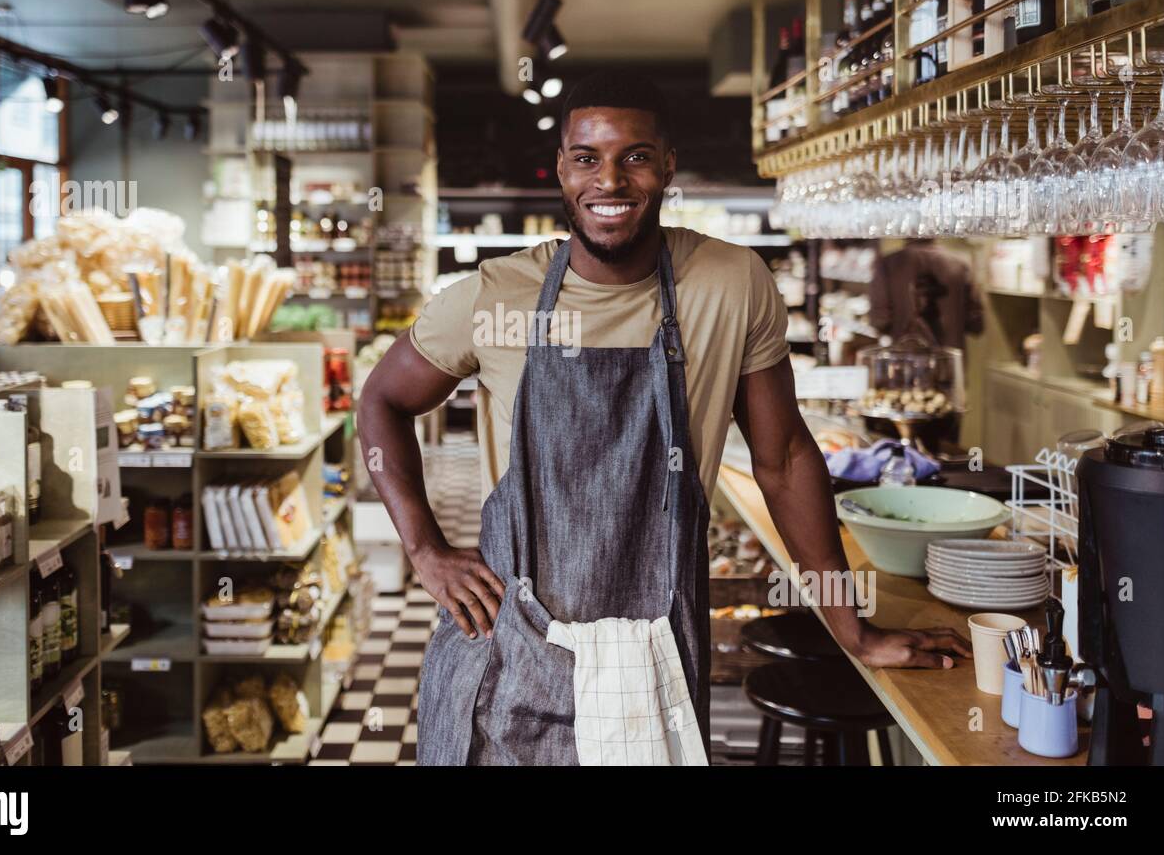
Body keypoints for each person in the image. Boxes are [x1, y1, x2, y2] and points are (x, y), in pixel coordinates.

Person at [357, 70, 971, 766]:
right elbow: (380, 400)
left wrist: (849, 626)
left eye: (635, 157)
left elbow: (787, 458)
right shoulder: (492, 296)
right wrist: (424, 550)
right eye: (587, 158)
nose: (609, 180)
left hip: (656, 657)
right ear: (562, 168)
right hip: (509, 654)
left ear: (668, 166)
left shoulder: (732, 283)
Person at [868, 239, 984, 349]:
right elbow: (976, 324)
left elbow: (880, 321)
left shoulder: (888, 264)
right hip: (951, 361)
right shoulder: (961, 266)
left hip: (905, 358)